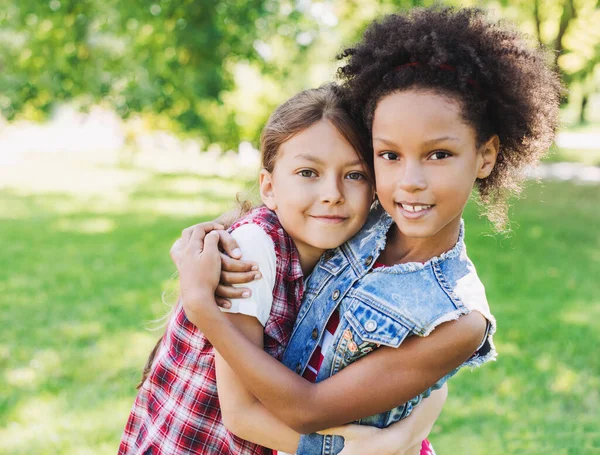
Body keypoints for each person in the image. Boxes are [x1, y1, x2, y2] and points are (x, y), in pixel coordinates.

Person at [175, 6, 562, 455]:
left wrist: (202, 307)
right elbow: (286, 216)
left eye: (438, 155)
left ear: (486, 156)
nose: (410, 181)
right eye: (389, 155)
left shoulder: (459, 319)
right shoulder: (360, 218)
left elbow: (309, 410)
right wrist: (215, 230)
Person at [119, 85, 446, 455]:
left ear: (374, 189)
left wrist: (399, 440)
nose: (333, 193)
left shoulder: (354, 251)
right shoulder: (251, 253)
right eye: (309, 172)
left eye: (354, 175)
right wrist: (354, 450)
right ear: (269, 187)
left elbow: (427, 374)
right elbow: (242, 416)